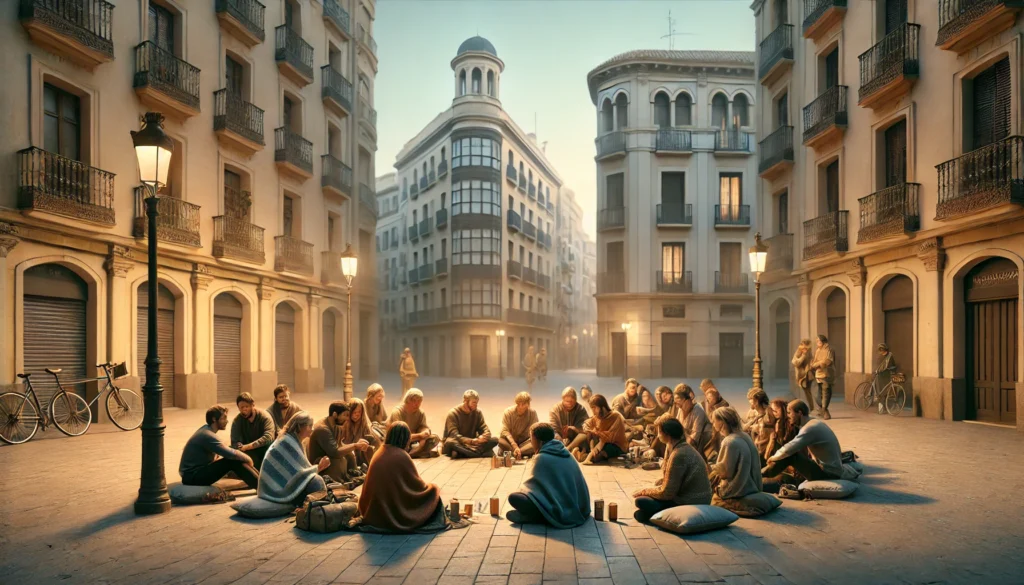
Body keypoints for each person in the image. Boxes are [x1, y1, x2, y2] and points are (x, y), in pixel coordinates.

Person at [358, 421, 444, 532]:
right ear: (405, 439)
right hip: (389, 510)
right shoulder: (401, 455)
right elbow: (416, 487)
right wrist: (431, 488)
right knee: (433, 492)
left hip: (372, 510)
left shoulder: (380, 450)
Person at [506, 423, 591, 527]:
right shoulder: (566, 452)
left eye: (531, 438)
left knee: (514, 497)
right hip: (578, 506)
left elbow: (532, 488)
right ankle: (538, 515)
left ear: (539, 441)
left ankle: (539, 517)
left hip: (558, 509)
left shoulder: (541, 458)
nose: (531, 442)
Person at [632, 418, 713, 524]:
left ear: (667, 435)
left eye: (659, 432)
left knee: (641, 501)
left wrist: (645, 491)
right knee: (641, 511)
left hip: (691, 502)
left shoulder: (679, 454)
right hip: (700, 499)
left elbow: (667, 493)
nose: (658, 435)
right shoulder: (681, 448)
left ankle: (660, 516)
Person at [762, 400, 861, 482]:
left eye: (789, 412)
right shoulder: (813, 422)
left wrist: (773, 458)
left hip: (828, 473)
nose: (787, 416)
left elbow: (789, 448)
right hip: (826, 468)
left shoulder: (809, 429)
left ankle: (760, 476)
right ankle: (763, 474)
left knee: (791, 455)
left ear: (799, 413)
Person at [258, 411, 330, 506]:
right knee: (316, 482)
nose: (312, 429)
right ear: (299, 427)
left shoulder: (293, 439)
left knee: (319, 480)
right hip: (276, 491)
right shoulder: (287, 442)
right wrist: (319, 467)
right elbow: (298, 474)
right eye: (309, 426)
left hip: (278, 487)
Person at [179, 405, 260, 489]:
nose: (227, 421)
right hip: (192, 477)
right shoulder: (207, 435)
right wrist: (249, 459)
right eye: (224, 418)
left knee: (235, 459)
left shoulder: (206, 430)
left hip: (193, 474)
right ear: (214, 419)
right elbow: (232, 454)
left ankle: (261, 484)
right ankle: (262, 488)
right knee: (234, 461)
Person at [709, 407, 763, 511]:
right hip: (754, 485)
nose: (713, 425)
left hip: (739, 489)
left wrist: (711, 469)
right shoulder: (744, 435)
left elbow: (725, 473)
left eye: (714, 421)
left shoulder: (729, 441)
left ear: (722, 422)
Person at [308, 401, 371, 484]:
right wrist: (355, 445)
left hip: (331, 454)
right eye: (345, 415)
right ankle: (340, 481)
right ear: (335, 414)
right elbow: (335, 452)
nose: (347, 418)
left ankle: (353, 474)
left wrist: (357, 445)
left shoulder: (336, 425)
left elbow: (340, 445)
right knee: (339, 460)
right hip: (322, 462)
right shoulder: (323, 429)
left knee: (350, 454)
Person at [443, 389, 498, 458]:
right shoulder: (453, 413)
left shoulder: (477, 413)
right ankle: (479, 453)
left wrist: (484, 436)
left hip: (473, 444)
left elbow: (484, 428)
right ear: (465, 401)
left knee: (495, 440)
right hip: (460, 443)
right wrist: (471, 441)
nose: (476, 405)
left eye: (477, 403)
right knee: (450, 442)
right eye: (474, 403)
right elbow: (454, 435)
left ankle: (465, 454)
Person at [388, 388, 440, 458]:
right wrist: (419, 436)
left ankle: (412, 453)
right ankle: (414, 453)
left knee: (435, 438)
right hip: (400, 440)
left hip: (413, 440)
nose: (417, 404)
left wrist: (425, 433)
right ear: (407, 400)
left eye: (419, 401)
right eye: (414, 401)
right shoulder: (397, 412)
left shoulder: (420, 413)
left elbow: (423, 426)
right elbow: (398, 435)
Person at [229, 392, 276, 470]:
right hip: (247, 452)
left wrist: (248, 446)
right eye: (241, 407)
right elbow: (235, 440)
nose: (244, 409)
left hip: (264, 449)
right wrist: (238, 445)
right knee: (229, 451)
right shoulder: (237, 420)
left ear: (252, 405)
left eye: (246, 406)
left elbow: (269, 437)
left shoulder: (264, 417)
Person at [580, 395, 629, 465]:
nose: (593, 411)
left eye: (594, 408)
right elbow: (587, 423)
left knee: (606, 449)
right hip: (600, 444)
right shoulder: (597, 417)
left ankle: (592, 456)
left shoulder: (616, 416)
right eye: (591, 408)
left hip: (615, 445)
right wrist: (587, 428)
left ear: (602, 407)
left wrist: (596, 433)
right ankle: (587, 455)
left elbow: (611, 436)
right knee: (586, 437)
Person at [674, 384, 716, 463]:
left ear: (688, 400)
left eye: (680, 404)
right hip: (687, 444)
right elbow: (677, 427)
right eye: (677, 404)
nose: (678, 407)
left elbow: (693, 439)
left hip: (701, 447)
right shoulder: (681, 410)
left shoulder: (698, 410)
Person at [500, 392, 540, 459]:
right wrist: (514, 445)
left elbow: (535, 430)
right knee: (500, 441)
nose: (520, 407)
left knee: (538, 442)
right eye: (518, 404)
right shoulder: (508, 412)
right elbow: (505, 430)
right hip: (510, 443)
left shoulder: (532, 413)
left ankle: (516, 453)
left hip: (525, 443)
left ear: (528, 404)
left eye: (523, 404)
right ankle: (517, 452)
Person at [342, 397, 378, 467]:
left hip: (361, 459)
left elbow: (371, 443)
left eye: (359, 412)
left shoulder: (364, 425)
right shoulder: (344, 424)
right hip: (346, 457)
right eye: (354, 412)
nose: (357, 415)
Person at [742, 388, 774, 465]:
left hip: (766, 448)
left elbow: (770, 430)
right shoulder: (753, 412)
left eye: (751, 399)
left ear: (757, 400)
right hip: (756, 446)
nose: (749, 402)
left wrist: (758, 427)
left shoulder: (769, 412)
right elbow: (745, 428)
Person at [809, 335, 836, 419]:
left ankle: (824, 410)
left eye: (818, 341)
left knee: (826, 393)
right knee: (818, 394)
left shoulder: (829, 349)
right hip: (818, 374)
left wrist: (817, 364)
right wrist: (814, 364)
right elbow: (814, 361)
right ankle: (823, 410)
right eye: (816, 341)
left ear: (823, 341)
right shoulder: (817, 350)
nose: (817, 342)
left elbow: (827, 361)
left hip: (826, 374)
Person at [791, 339, 815, 409]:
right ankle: (810, 407)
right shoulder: (799, 352)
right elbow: (796, 362)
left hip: (805, 375)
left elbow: (797, 363)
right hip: (803, 375)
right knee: (807, 392)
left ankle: (809, 407)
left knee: (806, 392)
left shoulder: (807, 352)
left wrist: (804, 355)